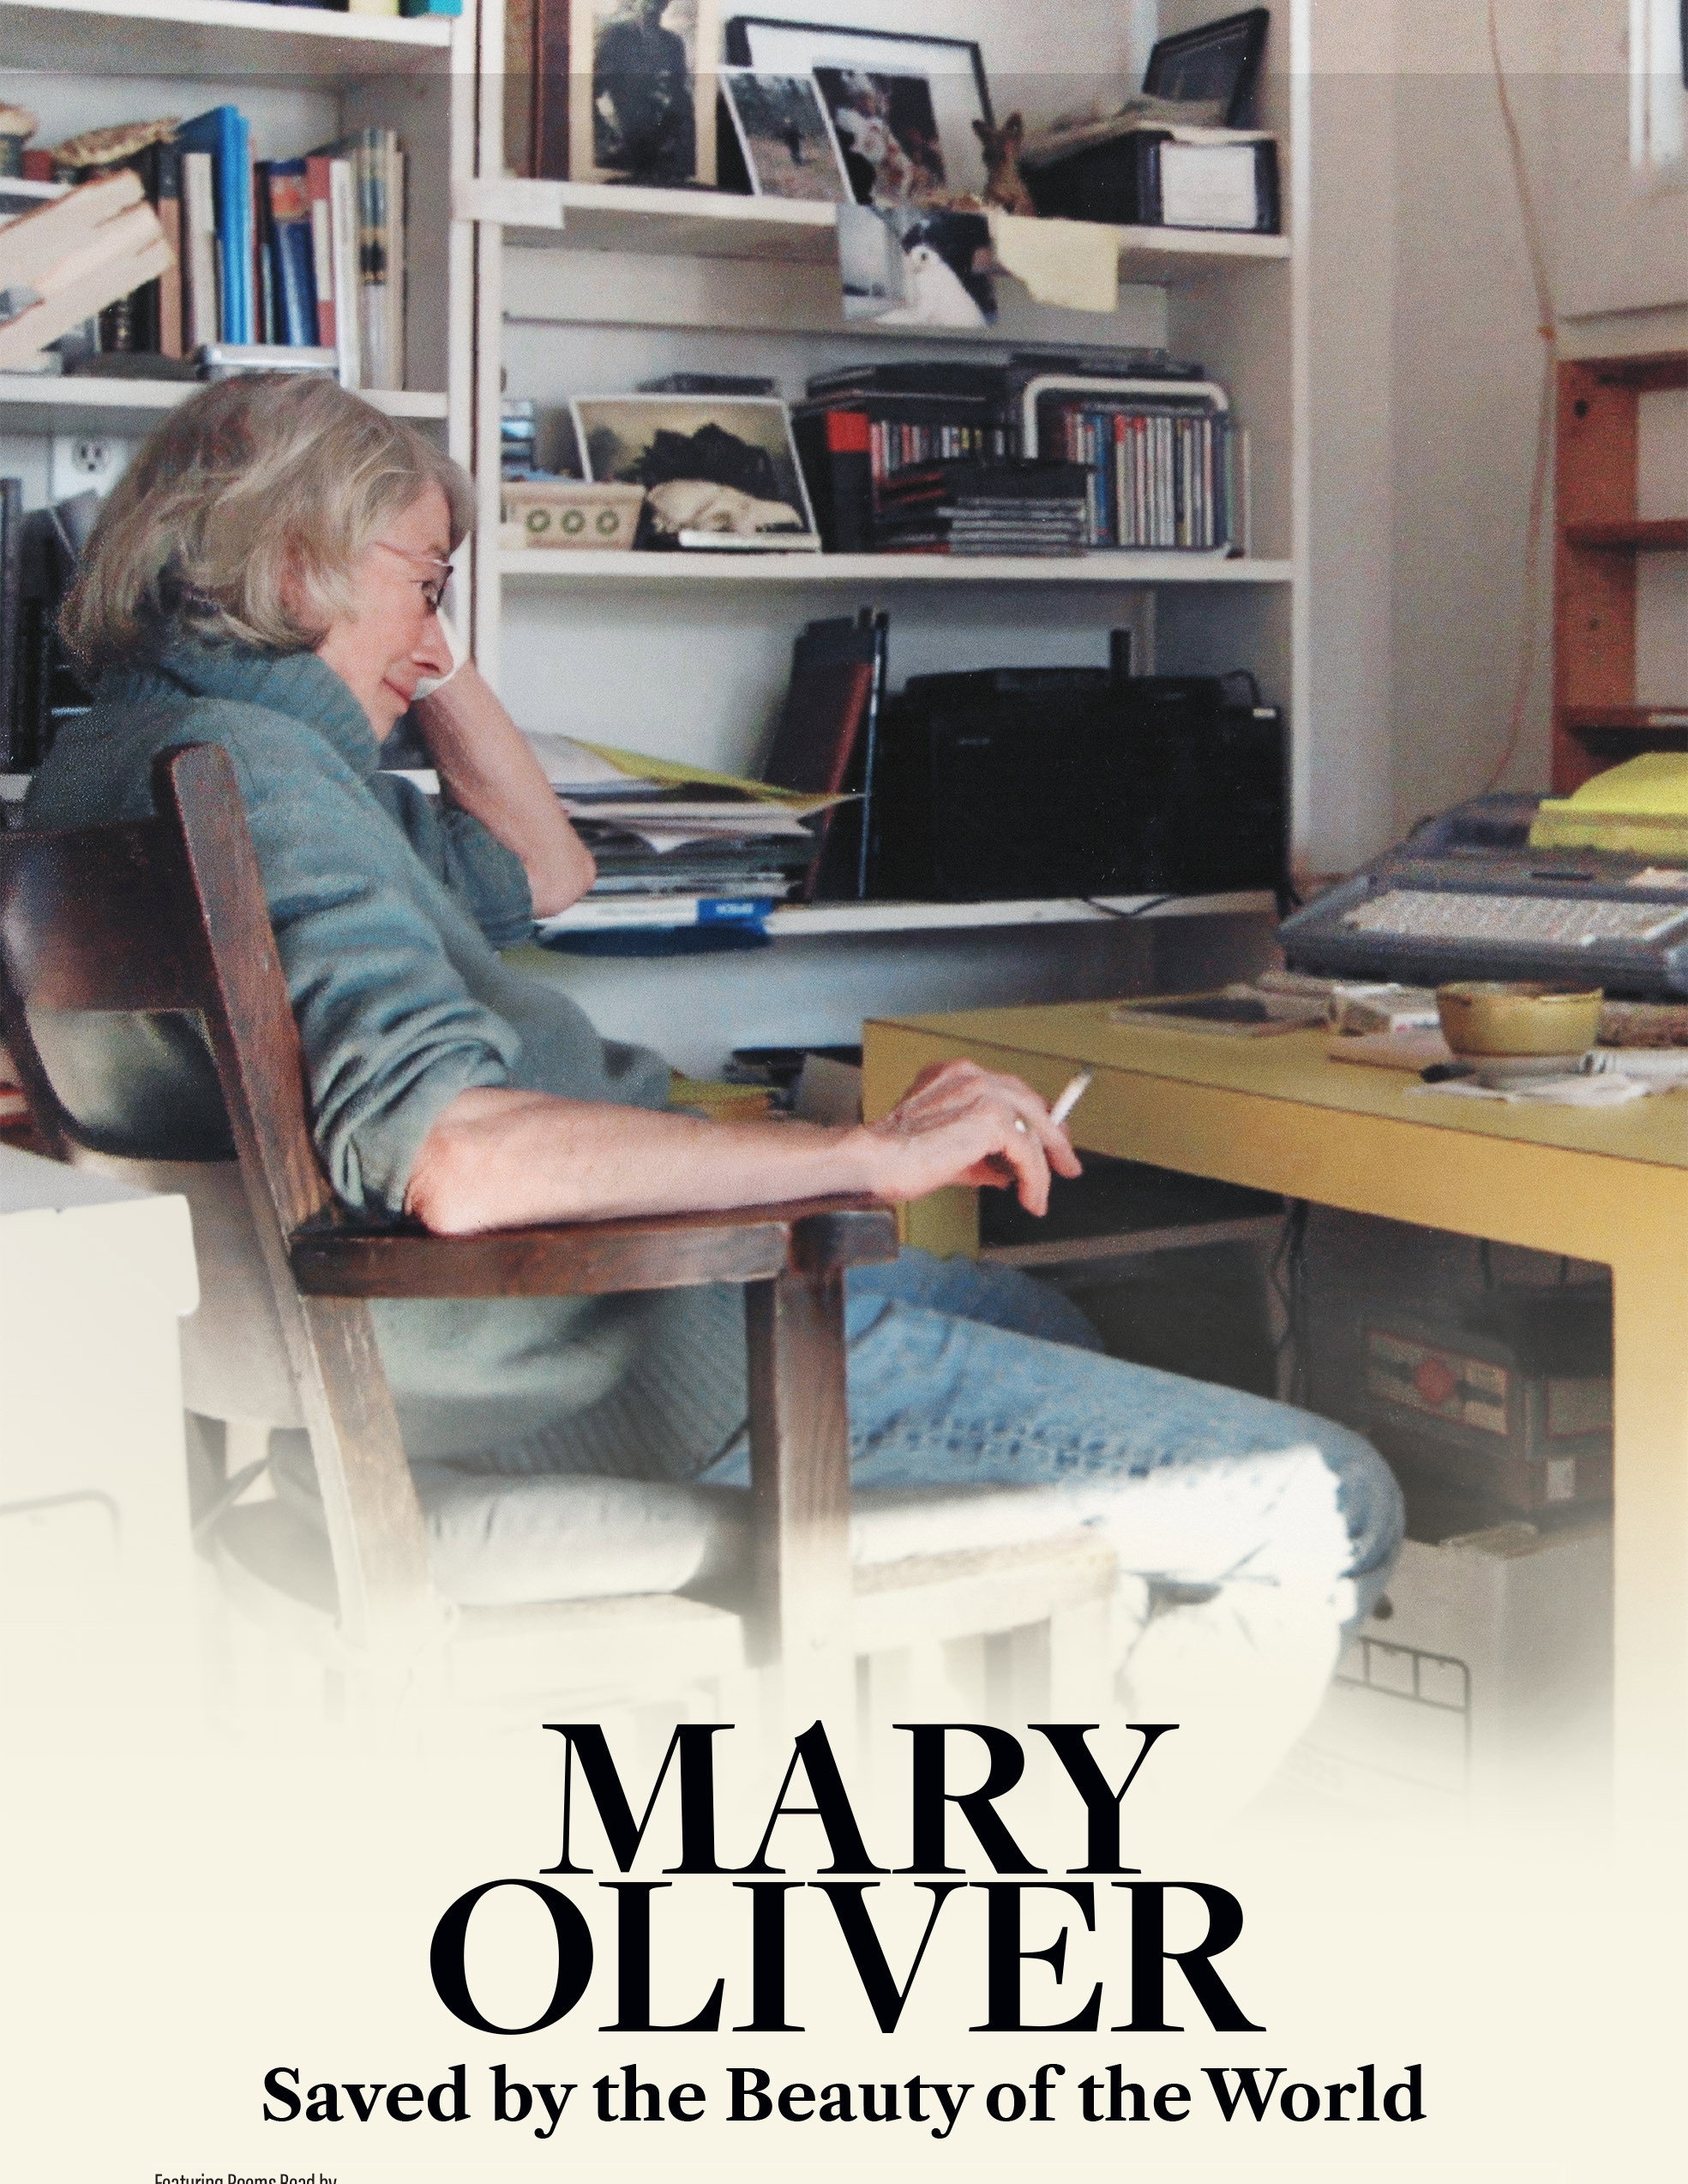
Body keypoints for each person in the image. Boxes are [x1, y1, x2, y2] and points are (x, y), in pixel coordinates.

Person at [29, 378, 1402, 1803]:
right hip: (618, 1358)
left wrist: (413, 643)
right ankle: (1065, 1876)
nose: (440, 638)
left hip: (461, 1364)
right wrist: (858, 1153)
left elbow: (547, 871)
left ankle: (986, 1754)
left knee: (1038, 1315)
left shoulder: (136, 766)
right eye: (427, 583)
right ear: (294, 562)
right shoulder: (265, 789)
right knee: (1325, 1506)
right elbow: (454, 1155)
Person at [592, 0, 696, 182]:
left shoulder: (673, 44)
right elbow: (589, 96)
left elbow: (680, 102)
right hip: (620, 156)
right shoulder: (614, 37)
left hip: (662, 157)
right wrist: (610, 140)